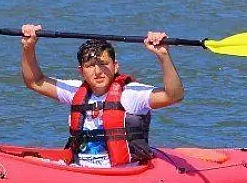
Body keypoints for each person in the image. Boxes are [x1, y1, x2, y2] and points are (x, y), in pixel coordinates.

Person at [19, 24, 185, 168]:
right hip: (80, 169)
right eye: (90, 66)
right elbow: (35, 81)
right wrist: (28, 47)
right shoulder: (75, 91)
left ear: (115, 66)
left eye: (104, 64)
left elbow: (173, 96)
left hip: (122, 172)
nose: (98, 72)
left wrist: (163, 56)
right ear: (81, 71)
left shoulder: (131, 95)